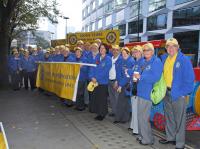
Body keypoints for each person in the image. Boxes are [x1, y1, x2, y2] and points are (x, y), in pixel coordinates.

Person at [159, 38, 195, 149]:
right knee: (169, 117)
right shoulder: (165, 58)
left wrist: (182, 93)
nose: (171, 48)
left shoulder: (183, 60)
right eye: (168, 46)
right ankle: (171, 138)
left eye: (173, 46)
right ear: (166, 49)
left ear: (178, 47)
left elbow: (190, 79)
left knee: (180, 120)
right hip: (167, 92)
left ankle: (180, 144)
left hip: (178, 95)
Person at [134, 43, 163, 145]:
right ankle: (143, 136)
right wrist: (134, 74)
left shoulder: (156, 61)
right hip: (140, 91)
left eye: (148, 50)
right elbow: (137, 70)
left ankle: (147, 139)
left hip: (148, 93)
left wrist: (141, 77)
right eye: (144, 50)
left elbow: (156, 77)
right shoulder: (143, 61)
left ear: (152, 51)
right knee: (140, 117)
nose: (146, 52)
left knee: (143, 118)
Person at [90, 43, 112, 120]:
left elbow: (105, 71)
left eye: (103, 48)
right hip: (95, 81)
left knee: (102, 99)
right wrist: (92, 77)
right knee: (97, 98)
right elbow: (92, 68)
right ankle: (99, 112)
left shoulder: (108, 59)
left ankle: (102, 114)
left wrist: (97, 78)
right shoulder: (97, 57)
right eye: (101, 48)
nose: (101, 49)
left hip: (103, 82)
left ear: (106, 50)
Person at [126, 45, 144, 135]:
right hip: (133, 87)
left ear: (141, 52)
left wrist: (129, 72)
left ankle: (136, 130)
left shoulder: (142, 62)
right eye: (133, 52)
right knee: (133, 108)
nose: (134, 53)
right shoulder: (136, 63)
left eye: (136, 52)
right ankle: (133, 125)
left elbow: (138, 74)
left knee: (136, 109)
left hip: (138, 88)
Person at [114, 47, 134, 123]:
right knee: (124, 102)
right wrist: (116, 80)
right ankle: (123, 118)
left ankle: (120, 118)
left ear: (128, 53)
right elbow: (118, 72)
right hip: (121, 83)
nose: (123, 55)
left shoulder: (130, 61)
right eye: (122, 53)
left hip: (125, 84)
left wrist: (121, 85)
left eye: (125, 53)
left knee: (122, 102)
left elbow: (127, 76)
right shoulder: (121, 60)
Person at [108, 44, 121, 117]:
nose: (115, 51)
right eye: (114, 50)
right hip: (109, 80)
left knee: (117, 98)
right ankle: (113, 111)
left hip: (116, 81)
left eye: (117, 50)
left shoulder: (121, 59)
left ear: (119, 51)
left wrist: (117, 80)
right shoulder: (110, 58)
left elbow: (121, 72)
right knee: (111, 98)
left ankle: (118, 113)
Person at [88, 43, 100, 113]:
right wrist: (90, 77)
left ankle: (96, 108)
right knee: (91, 93)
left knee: (97, 95)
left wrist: (96, 78)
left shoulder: (100, 55)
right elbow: (88, 67)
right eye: (93, 47)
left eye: (95, 47)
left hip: (97, 78)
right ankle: (92, 108)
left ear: (98, 48)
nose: (94, 48)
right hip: (90, 77)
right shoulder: (89, 55)